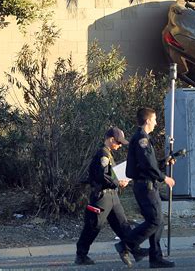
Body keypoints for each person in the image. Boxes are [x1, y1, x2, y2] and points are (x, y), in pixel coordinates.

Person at [75, 127, 148, 267]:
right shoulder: (103, 154)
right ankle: (81, 255)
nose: (120, 145)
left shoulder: (108, 154)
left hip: (112, 195)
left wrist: (119, 181)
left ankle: (135, 250)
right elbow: (103, 175)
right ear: (111, 139)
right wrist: (118, 182)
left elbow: (110, 174)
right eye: (118, 143)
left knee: (123, 224)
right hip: (102, 197)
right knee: (93, 226)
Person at [122, 107, 176, 268]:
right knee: (155, 220)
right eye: (154, 119)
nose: (156, 123)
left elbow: (148, 163)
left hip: (148, 185)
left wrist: (163, 162)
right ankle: (127, 244)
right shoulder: (142, 139)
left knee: (157, 222)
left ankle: (156, 257)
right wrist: (164, 177)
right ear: (147, 121)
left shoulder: (143, 138)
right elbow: (146, 165)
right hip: (145, 186)